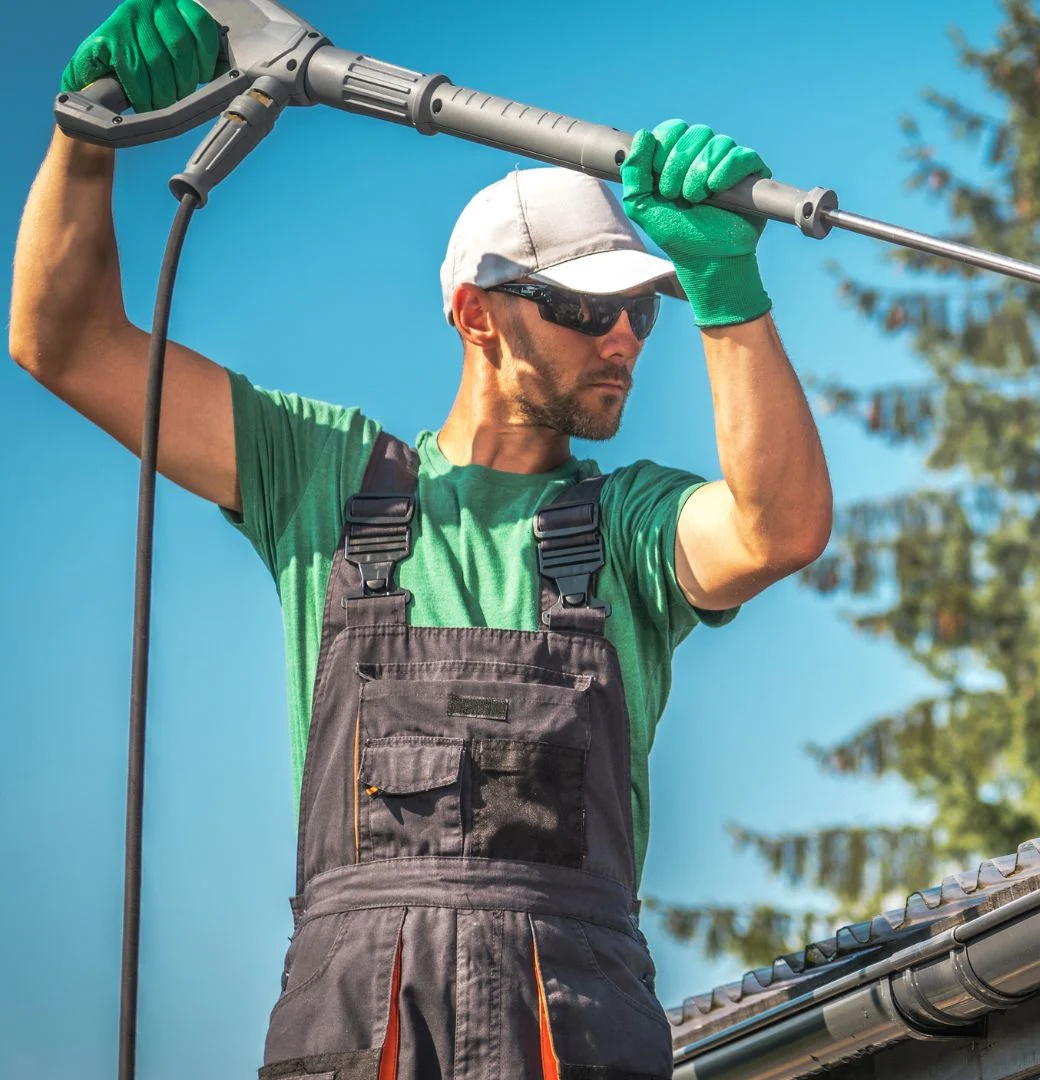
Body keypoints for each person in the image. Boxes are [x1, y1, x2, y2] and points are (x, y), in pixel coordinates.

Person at [12, 2, 833, 1076]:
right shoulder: (324, 479)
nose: (626, 338)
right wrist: (87, 133)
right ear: (477, 311)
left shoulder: (630, 527)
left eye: (644, 311)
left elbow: (778, 529)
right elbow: (64, 343)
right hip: (360, 1021)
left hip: (572, 1023)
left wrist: (729, 293)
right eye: (587, 310)